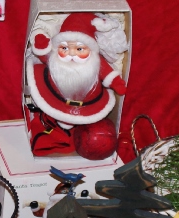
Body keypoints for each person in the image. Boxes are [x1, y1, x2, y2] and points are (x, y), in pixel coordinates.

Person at [26, 13, 127, 156]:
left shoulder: (95, 63)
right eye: (65, 48)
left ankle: (70, 121)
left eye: (79, 49)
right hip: (54, 95)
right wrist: (40, 43)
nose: (71, 54)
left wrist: (116, 82)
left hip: (87, 101)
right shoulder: (55, 59)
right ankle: (62, 120)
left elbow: (106, 72)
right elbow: (43, 52)